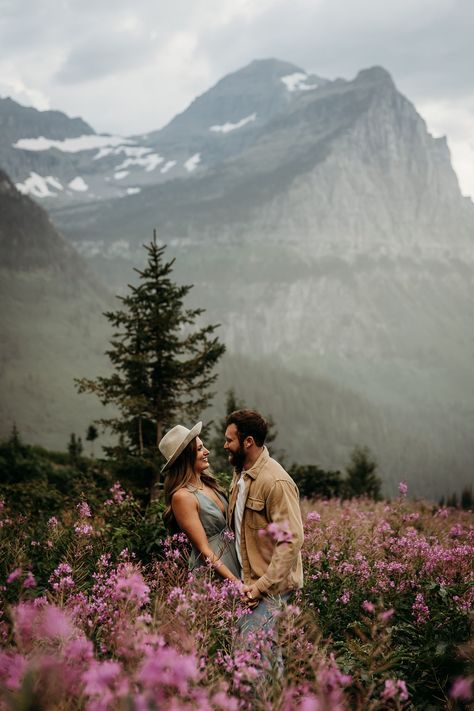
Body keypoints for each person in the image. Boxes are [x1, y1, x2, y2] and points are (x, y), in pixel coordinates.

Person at [224, 409, 304, 637]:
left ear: (248, 442)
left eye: (229, 440)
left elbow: (291, 540)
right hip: (248, 585)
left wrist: (259, 588)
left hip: (269, 589)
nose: (225, 445)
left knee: (253, 658)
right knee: (261, 658)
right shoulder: (240, 474)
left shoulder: (275, 482)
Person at [159, 421, 241, 582]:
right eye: (199, 449)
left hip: (234, 562)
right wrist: (235, 583)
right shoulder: (182, 497)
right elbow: (204, 549)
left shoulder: (209, 484)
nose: (206, 451)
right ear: (186, 457)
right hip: (213, 573)